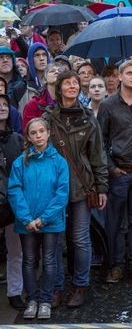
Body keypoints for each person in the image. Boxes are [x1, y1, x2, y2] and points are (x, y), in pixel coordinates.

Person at [44, 70, 108, 308]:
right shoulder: (48, 118)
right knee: (57, 241)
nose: (72, 86)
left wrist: (101, 187)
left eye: (75, 83)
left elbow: (98, 156)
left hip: (82, 187)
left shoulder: (89, 118)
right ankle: (56, 288)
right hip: (53, 188)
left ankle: (80, 286)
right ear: (59, 88)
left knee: (81, 239)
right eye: (67, 83)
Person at [97, 60, 132, 283]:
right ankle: (117, 264)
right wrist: (111, 168)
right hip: (119, 172)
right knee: (117, 223)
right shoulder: (108, 105)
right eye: (129, 73)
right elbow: (101, 141)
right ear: (119, 77)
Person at [8, 118, 69, 321]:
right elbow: (14, 191)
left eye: (42, 131)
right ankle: (32, 299)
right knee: (29, 260)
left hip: (50, 222)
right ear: (28, 136)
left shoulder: (59, 161)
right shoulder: (20, 162)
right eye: (34, 133)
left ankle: (45, 300)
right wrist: (26, 218)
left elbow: (62, 194)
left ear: (49, 133)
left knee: (50, 260)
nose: (38, 136)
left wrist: (43, 218)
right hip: (27, 222)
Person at [0, 94, 24, 311]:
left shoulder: (17, 139)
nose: (2, 108)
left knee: (15, 250)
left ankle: (15, 291)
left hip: (12, 202)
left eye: (5, 104)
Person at [22, 63, 59, 132]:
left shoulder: (69, 102)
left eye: (59, 71)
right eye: (52, 71)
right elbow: (28, 133)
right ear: (45, 80)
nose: (57, 72)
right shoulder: (33, 105)